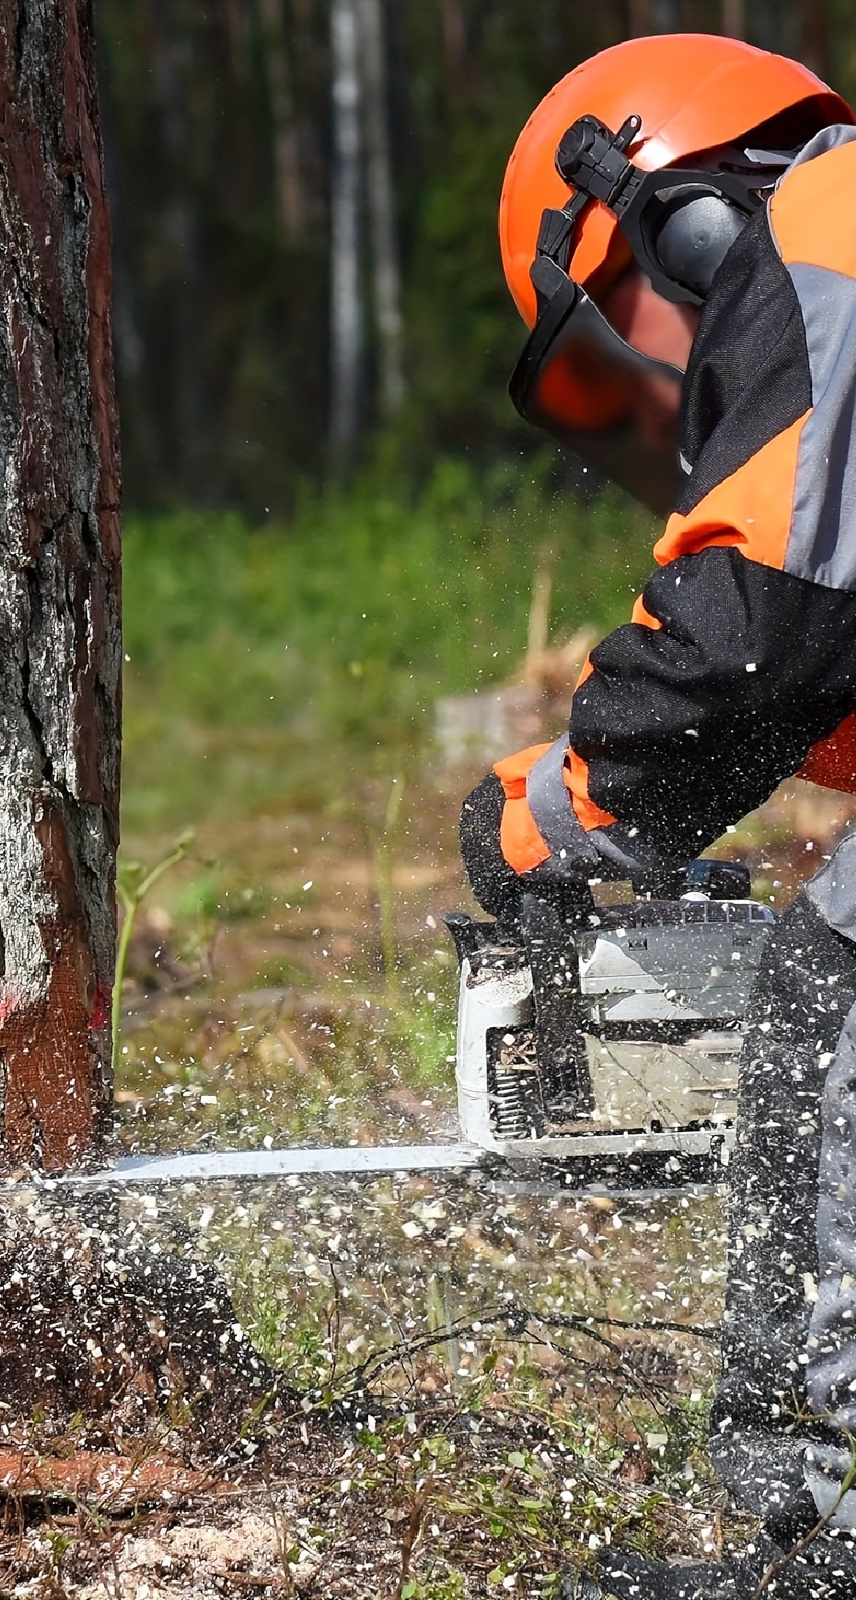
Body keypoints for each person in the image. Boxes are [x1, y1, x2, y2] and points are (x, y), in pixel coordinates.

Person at [467, 34, 856, 1599]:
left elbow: (757, 629)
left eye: (596, 343)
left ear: (673, 217)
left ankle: (822, 1545)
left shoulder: (827, 241)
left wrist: (574, 803)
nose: (628, 400)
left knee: (836, 1007)